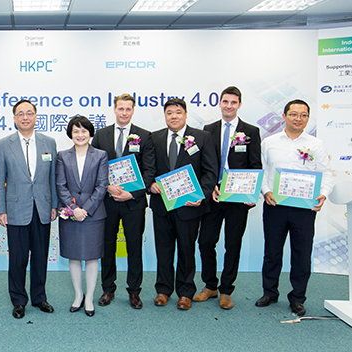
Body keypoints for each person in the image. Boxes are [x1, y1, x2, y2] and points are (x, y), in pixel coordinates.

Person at [256, 99, 332, 317]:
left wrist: (323, 194)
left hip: (304, 208)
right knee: (272, 252)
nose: (298, 119)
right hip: (275, 205)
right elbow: (262, 170)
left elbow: (326, 173)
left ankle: (298, 298)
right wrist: (266, 191)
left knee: (301, 253)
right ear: (284, 116)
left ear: (308, 118)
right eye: (294, 114)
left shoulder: (316, 144)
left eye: (303, 115)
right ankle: (269, 292)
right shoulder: (269, 142)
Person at [195, 86, 262, 309]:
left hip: (238, 199)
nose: (229, 106)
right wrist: (210, 187)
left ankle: (226, 290)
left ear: (239, 104)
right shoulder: (208, 130)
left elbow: (255, 165)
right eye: (225, 102)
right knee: (205, 241)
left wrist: (252, 194)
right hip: (213, 196)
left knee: (233, 244)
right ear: (220, 103)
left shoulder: (250, 131)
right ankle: (210, 285)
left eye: (233, 102)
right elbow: (204, 165)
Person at [149, 98, 217, 310]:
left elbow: (210, 171)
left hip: (189, 205)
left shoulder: (202, 137)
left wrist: (203, 195)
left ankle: (186, 292)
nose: (174, 116)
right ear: (165, 116)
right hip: (162, 204)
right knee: (164, 249)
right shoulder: (155, 137)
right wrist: (150, 184)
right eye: (169, 113)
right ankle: (163, 289)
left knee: (187, 250)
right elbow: (149, 167)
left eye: (178, 112)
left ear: (185, 114)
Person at [0, 99, 58, 319]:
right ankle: (18, 300)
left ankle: (40, 298)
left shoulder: (49, 142)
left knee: (40, 257)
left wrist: (54, 205)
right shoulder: (3, 144)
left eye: (29, 113)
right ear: (14, 118)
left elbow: (52, 178)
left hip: (42, 208)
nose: (25, 117)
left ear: (36, 116)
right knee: (18, 259)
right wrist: (1, 209)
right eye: (20, 113)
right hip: (15, 210)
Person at [90, 93, 156, 309]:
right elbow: (96, 167)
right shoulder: (101, 135)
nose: (124, 113)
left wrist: (134, 193)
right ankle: (108, 289)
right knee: (107, 247)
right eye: (121, 109)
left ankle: (134, 291)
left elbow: (149, 171)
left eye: (128, 109)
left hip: (133, 203)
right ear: (114, 109)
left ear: (133, 110)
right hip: (107, 201)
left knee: (134, 247)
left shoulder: (145, 136)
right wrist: (107, 186)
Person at [56, 115, 108, 317]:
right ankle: (78, 295)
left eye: (84, 131)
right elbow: (60, 185)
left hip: (93, 214)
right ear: (70, 134)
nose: (80, 135)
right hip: (70, 214)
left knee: (93, 257)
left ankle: (89, 298)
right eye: (76, 131)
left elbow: (102, 185)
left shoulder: (101, 155)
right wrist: (73, 208)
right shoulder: (62, 155)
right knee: (74, 256)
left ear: (90, 133)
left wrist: (85, 209)